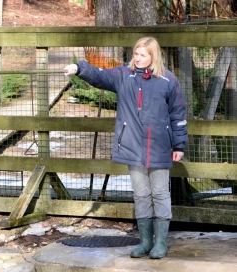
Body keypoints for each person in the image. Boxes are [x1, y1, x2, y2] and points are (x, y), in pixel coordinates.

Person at [64, 37, 187, 259]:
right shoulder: (124, 76)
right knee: (141, 194)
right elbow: (100, 75)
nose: (137, 59)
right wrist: (79, 68)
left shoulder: (168, 80)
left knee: (160, 193)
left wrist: (178, 144)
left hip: (160, 147)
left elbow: (178, 113)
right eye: (136, 54)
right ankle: (145, 242)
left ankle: (160, 243)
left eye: (143, 55)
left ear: (153, 56)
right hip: (133, 147)